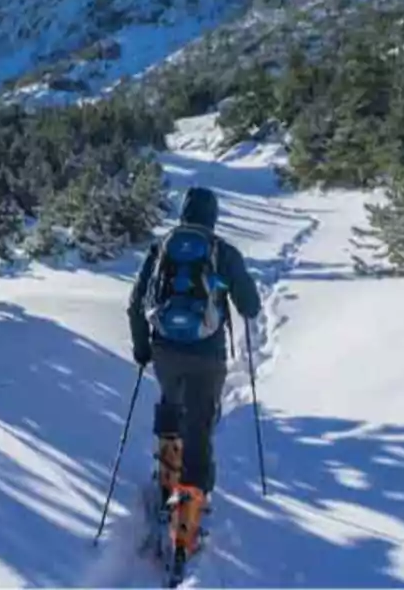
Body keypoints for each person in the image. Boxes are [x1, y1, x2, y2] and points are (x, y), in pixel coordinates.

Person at [127, 185, 261, 552]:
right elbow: (250, 306)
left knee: (170, 410)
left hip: (166, 349)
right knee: (199, 427)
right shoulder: (223, 251)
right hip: (208, 353)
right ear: (212, 216)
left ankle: (167, 483)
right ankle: (186, 524)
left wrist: (142, 349)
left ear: (183, 213)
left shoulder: (161, 249)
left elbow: (137, 302)